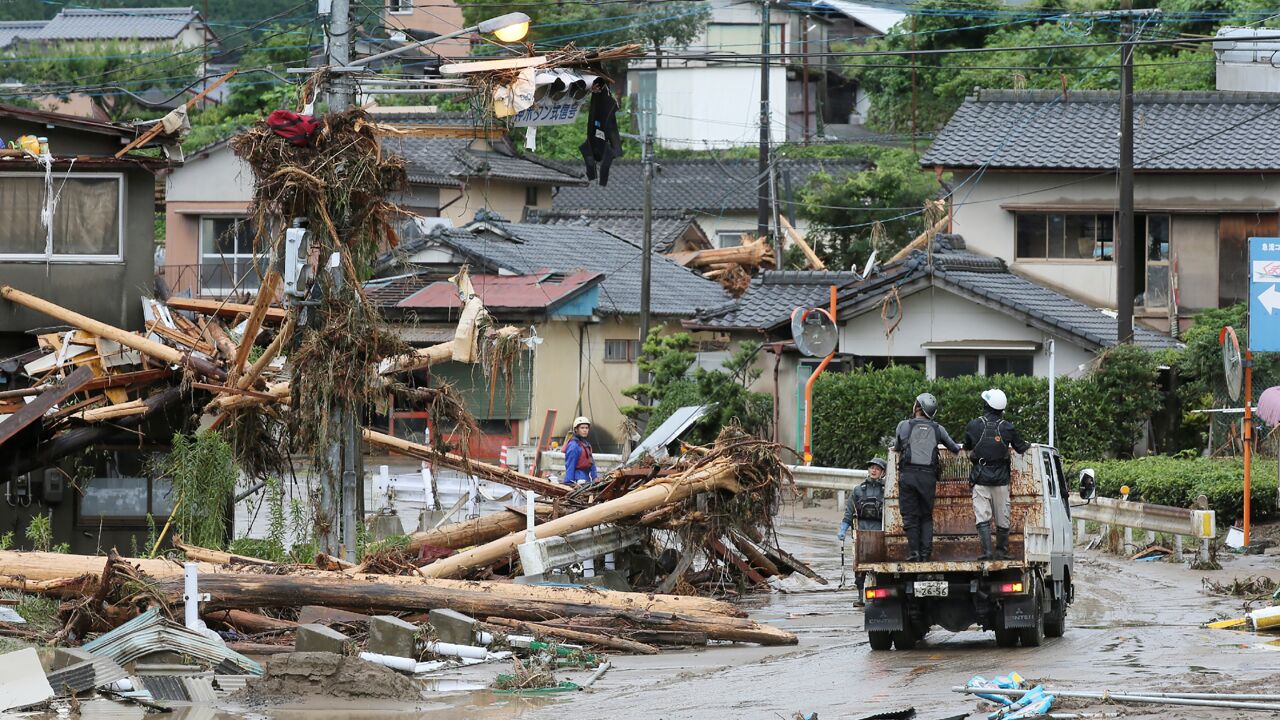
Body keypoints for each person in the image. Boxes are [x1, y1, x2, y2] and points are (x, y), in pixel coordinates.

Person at [963, 388, 1031, 561]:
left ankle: (987, 552)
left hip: (980, 478)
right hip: (1001, 480)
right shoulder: (1007, 427)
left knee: (982, 516)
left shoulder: (974, 425)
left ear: (986, 405)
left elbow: (967, 446)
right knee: (1003, 516)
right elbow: (1021, 447)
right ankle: (1002, 551)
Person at [894, 392, 961, 561]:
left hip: (908, 476)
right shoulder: (938, 428)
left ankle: (914, 553)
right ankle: (925, 555)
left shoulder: (903, 425)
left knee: (910, 516)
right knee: (925, 516)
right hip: (928, 478)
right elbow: (954, 447)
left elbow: (896, 447)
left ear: (917, 407)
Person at [838, 457, 886, 604]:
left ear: (882, 472)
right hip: (861, 533)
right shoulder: (858, 490)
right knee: (859, 566)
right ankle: (860, 597)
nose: (874, 470)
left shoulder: (887, 490)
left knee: (879, 566)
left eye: (877, 469)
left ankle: (880, 596)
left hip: (880, 532)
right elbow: (849, 511)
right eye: (872, 467)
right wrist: (843, 528)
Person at [562, 416, 598, 485]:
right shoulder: (574, 446)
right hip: (578, 478)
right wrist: (569, 483)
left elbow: (592, 463)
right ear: (576, 430)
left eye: (586, 428)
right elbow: (570, 465)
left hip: (587, 477)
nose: (585, 430)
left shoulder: (586, 444)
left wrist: (595, 477)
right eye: (582, 428)